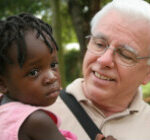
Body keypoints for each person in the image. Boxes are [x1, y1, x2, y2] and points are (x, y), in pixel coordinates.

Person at [47, 0, 150, 139]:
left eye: (125, 55)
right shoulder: (34, 112)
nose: (104, 60)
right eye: (100, 44)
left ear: (148, 74)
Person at [0, 13, 78, 140]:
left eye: (53, 64)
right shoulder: (36, 122)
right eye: (34, 72)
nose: (52, 77)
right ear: (3, 84)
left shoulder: (5, 113)